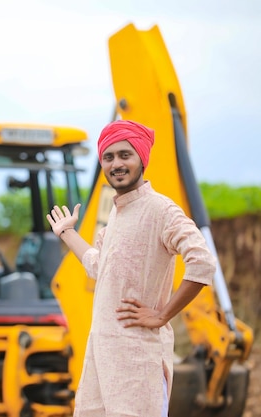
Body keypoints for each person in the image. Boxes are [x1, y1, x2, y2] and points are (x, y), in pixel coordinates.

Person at [46, 119, 216, 417]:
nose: (116, 164)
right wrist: (67, 234)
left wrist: (162, 315)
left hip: (138, 366)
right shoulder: (115, 216)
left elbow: (202, 262)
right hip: (101, 362)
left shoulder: (161, 210)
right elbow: (99, 267)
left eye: (125, 155)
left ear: (142, 159)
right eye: (108, 158)